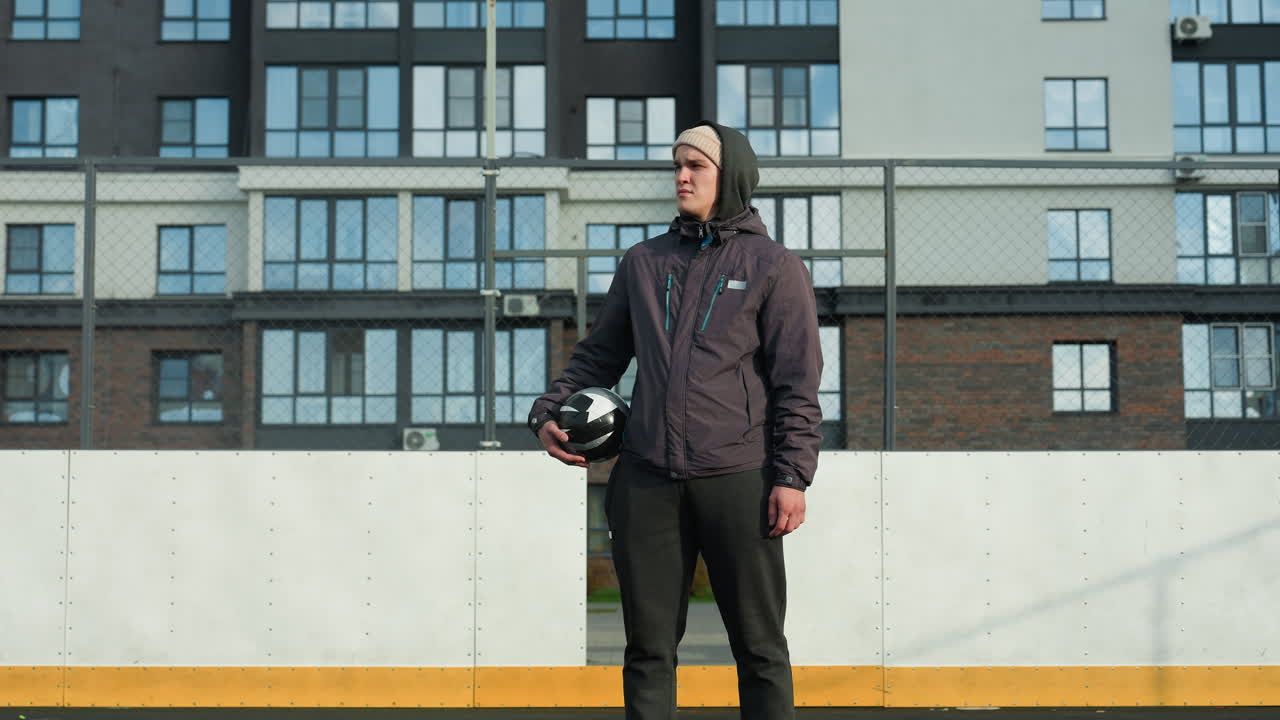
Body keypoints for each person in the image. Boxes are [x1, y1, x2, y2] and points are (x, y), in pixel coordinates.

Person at [526, 121, 823, 720]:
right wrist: (548, 410)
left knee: (761, 649)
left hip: (740, 478)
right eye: (676, 166)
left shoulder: (773, 265)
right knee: (648, 650)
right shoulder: (643, 262)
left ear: (730, 175)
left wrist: (792, 475)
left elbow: (798, 381)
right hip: (646, 480)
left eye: (697, 166)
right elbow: (599, 356)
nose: (682, 177)